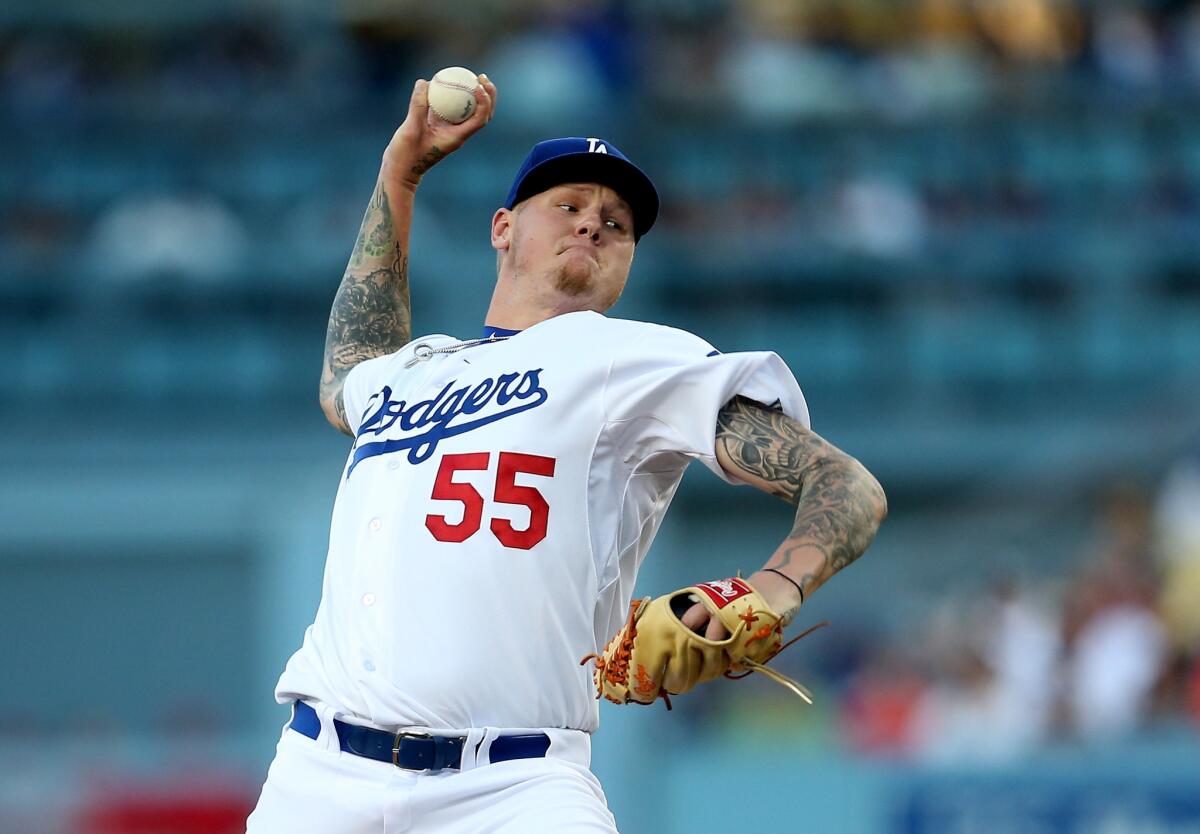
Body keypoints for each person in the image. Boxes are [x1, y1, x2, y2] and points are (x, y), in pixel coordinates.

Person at [245, 73, 887, 834]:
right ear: (503, 228)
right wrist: (400, 173)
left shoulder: (632, 359)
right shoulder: (413, 371)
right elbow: (345, 374)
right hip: (319, 776)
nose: (594, 224)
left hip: (513, 789)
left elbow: (844, 482)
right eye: (569, 205)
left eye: (617, 221)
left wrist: (771, 593)